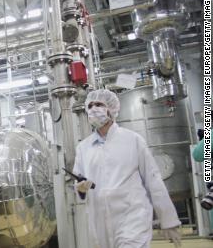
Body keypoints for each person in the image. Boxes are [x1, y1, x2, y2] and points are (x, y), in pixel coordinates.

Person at [73, 89, 182, 248]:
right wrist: (80, 189)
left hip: (133, 217)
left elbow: (153, 180)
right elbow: (78, 182)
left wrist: (168, 220)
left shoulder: (133, 140)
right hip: (100, 223)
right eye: (89, 106)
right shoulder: (83, 148)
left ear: (112, 109)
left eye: (98, 104)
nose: (93, 109)